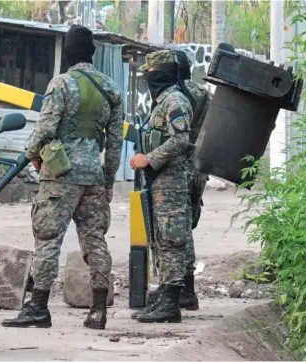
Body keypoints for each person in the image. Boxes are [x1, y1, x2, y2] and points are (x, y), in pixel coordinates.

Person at [1, 24, 124, 330]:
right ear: (92, 54)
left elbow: (44, 129)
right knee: (95, 240)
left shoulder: (61, 84)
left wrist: (32, 155)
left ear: (67, 53)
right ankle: (98, 311)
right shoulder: (110, 89)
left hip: (60, 174)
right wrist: (108, 182)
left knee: (48, 239)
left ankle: (39, 308)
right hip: (93, 175)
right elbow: (115, 144)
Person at [129, 50, 194, 323]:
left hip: (171, 181)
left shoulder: (175, 101)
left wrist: (149, 159)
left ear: (163, 74)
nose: (148, 77)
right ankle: (166, 294)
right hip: (158, 181)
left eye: (152, 72)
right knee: (161, 239)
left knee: (171, 239)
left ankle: (171, 302)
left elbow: (180, 139)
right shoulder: (162, 101)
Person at [175, 50, 212, 311]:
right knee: (188, 225)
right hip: (199, 168)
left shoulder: (174, 94)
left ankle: (185, 289)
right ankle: (184, 288)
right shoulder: (204, 94)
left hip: (179, 167)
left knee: (179, 230)